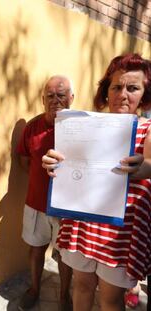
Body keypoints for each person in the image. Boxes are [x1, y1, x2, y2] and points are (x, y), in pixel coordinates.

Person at [42, 53, 151, 311]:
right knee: (80, 286)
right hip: (84, 224)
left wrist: (143, 167)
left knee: (110, 298)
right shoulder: (86, 125)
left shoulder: (147, 129)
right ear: (107, 91)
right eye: (116, 87)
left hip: (119, 234)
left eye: (132, 88)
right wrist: (53, 163)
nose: (123, 94)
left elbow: (150, 162)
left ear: (144, 94)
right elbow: (69, 164)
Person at [15, 75, 74, 310]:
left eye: (61, 95)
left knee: (65, 256)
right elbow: (22, 158)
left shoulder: (81, 127)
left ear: (71, 98)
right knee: (36, 249)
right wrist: (40, 179)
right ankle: (35, 288)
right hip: (36, 203)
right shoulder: (32, 127)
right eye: (50, 95)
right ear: (43, 99)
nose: (55, 100)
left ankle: (63, 297)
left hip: (68, 207)